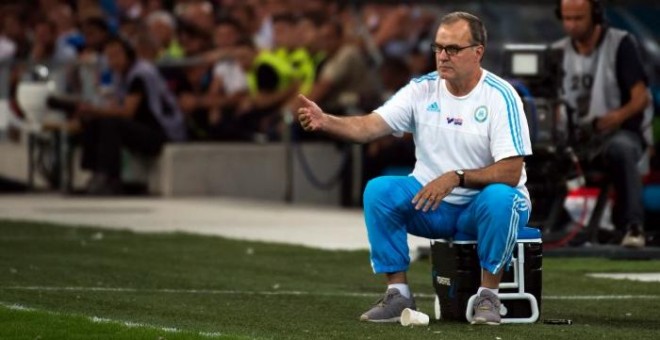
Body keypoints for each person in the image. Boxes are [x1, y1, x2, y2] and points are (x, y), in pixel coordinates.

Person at [298, 12, 532, 325]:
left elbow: (511, 171)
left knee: (501, 197)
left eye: (453, 49)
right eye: (438, 48)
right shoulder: (421, 89)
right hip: (433, 205)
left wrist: (456, 177)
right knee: (378, 191)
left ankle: (488, 296)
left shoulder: (502, 96)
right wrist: (327, 121)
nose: (443, 56)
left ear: (478, 52)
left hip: (483, 207)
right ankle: (398, 294)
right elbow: (368, 126)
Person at [553, 0, 653, 248]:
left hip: (616, 133)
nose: (572, 25)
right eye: (567, 18)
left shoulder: (620, 43)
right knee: (536, 152)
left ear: (596, 15)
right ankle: (545, 225)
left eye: (579, 18)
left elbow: (641, 97)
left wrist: (614, 118)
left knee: (622, 149)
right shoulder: (557, 51)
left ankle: (632, 226)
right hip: (574, 139)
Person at [74, 36, 186, 195]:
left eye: (116, 55)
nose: (113, 61)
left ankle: (110, 177)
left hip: (161, 131)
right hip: (141, 127)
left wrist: (94, 110)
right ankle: (95, 173)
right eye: (109, 57)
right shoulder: (121, 76)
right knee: (95, 122)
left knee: (110, 124)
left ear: (128, 54)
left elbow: (127, 112)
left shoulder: (141, 74)